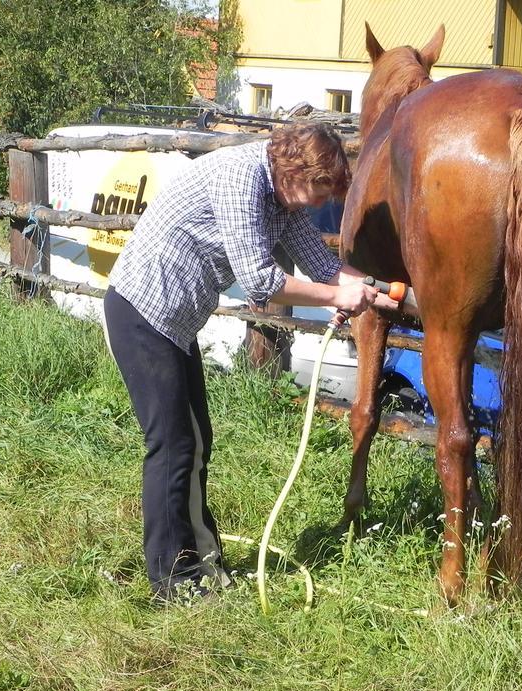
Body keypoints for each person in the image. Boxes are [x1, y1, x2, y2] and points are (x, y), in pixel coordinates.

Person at [103, 122, 397, 602]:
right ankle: (172, 582)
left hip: (173, 324)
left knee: (195, 444)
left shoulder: (283, 200)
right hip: (141, 312)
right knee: (173, 446)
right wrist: (335, 294)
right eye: (321, 189)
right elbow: (261, 282)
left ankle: (202, 562)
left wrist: (374, 291)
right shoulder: (241, 176)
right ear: (295, 170)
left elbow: (324, 268)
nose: (322, 203)